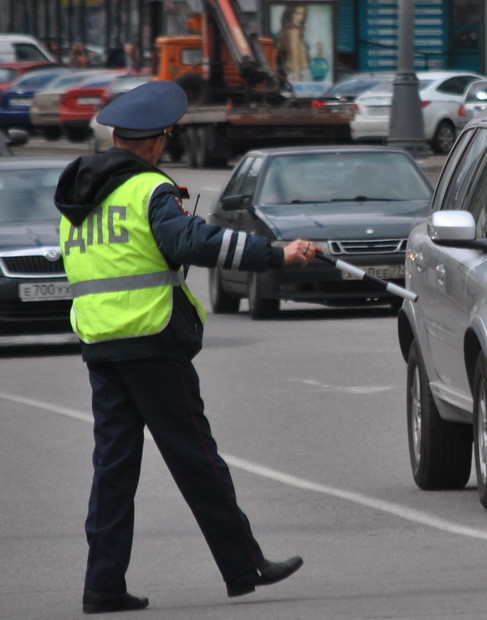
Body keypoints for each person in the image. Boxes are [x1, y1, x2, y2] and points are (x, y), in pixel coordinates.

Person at [53, 81, 314, 615]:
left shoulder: (78, 198)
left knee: (113, 470)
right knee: (197, 459)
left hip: (102, 344)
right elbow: (196, 241)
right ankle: (245, 566)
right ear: (154, 142)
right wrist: (276, 255)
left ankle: (102, 585)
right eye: (166, 140)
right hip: (152, 343)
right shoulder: (148, 190)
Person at [278, 4, 310, 81]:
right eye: (297, 13)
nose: (301, 17)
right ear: (290, 14)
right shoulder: (293, 32)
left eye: (303, 14)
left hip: (296, 74)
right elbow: (294, 59)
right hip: (298, 75)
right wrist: (298, 83)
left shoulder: (286, 31)